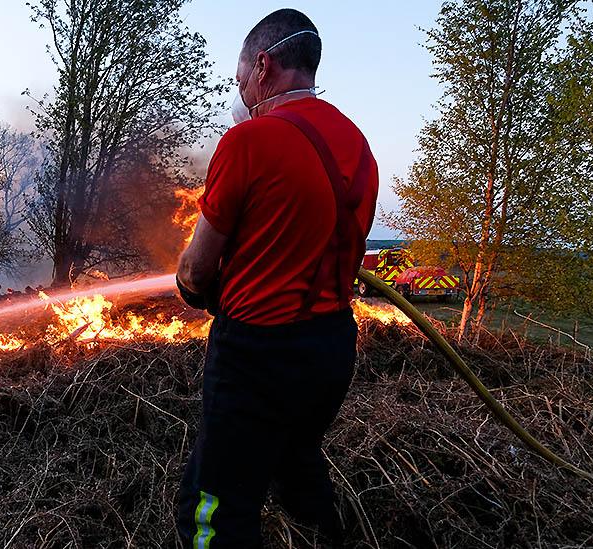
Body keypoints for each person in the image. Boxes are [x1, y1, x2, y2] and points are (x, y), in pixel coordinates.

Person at [175, 8, 379, 548]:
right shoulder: (360, 147)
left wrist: (193, 288)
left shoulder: (249, 141)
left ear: (264, 67)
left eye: (240, 78)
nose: (240, 91)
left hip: (256, 356)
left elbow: (196, 270)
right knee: (296, 465)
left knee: (212, 505)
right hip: (332, 350)